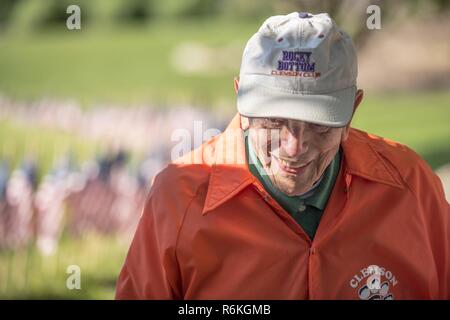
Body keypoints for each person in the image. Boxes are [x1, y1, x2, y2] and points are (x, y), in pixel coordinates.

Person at [115, 12, 449, 300]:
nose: (293, 147)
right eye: (275, 121)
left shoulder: (412, 186)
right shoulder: (177, 198)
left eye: (318, 124)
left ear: (351, 112)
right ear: (242, 105)